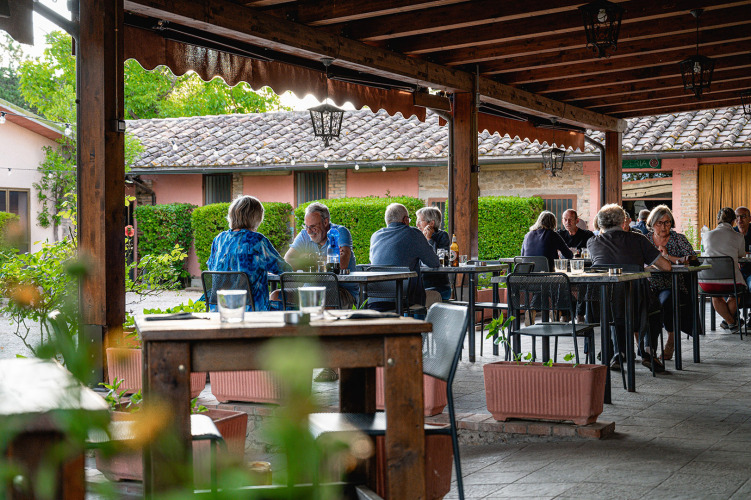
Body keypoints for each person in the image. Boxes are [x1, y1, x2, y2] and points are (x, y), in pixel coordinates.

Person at [587, 204, 671, 372]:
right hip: (638, 300)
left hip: (602, 304)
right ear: (623, 221)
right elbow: (666, 267)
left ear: (600, 223)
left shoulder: (592, 242)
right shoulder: (638, 239)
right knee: (654, 309)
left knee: (615, 308)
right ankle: (648, 351)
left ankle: (619, 353)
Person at [207, 195, 291, 312]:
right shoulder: (257, 241)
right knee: (294, 306)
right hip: (253, 310)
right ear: (256, 217)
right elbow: (284, 270)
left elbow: (212, 269)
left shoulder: (219, 240)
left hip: (220, 309)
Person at [645, 204, 696, 360]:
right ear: (652, 223)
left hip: (673, 285)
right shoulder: (645, 240)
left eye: (667, 222)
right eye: (659, 223)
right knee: (639, 302)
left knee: (666, 301)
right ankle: (647, 349)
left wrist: (667, 257)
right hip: (649, 284)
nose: (663, 226)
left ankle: (671, 340)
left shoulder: (678, 239)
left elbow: (692, 259)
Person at [284, 202, 357, 309]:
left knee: (319, 301)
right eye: (306, 226)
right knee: (276, 296)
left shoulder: (338, 232)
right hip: (309, 289)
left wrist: (306, 258)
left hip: (340, 290)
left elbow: (341, 265)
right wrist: (325, 259)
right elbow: (288, 261)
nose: (309, 231)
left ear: (325, 222)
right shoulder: (304, 235)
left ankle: (312, 319)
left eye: (313, 227)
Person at [369, 203, 441, 311]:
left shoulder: (375, 236)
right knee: (436, 296)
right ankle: (419, 323)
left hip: (374, 301)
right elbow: (434, 263)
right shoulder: (414, 234)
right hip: (404, 301)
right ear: (405, 220)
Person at [701, 207, 747, 333]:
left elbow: (704, 253)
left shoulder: (706, 235)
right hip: (731, 281)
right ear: (733, 221)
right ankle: (731, 322)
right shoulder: (738, 236)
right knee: (735, 294)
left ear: (717, 220)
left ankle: (729, 322)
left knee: (715, 296)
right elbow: (741, 254)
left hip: (707, 281)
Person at [556, 209, 594, 322]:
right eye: (565, 220)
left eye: (570, 220)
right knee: (560, 284)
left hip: (583, 269)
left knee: (584, 285)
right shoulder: (559, 234)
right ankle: (566, 314)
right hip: (565, 269)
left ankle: (580, 313)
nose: (567, 222)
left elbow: (592, 251)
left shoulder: (587, 234)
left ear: (577, 221)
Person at [416, 206, 452, 300]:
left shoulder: (442, 236)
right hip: (421, 286)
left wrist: (429, 240)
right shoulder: (417, 237)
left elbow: (436, 261)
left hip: (438, 287)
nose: (417, 224)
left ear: (431, 223)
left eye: (420, 221)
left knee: (417, 299)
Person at [734, 206, 751, 290]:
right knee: (728, 289)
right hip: (735, 272)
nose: (739, 219)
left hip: (750, 271)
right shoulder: (731, 232)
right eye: (737, 216)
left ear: (750, 219)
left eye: (743, 216)